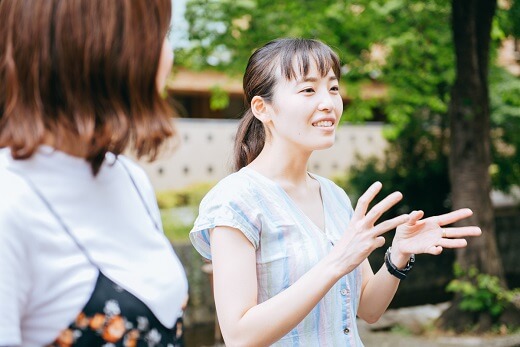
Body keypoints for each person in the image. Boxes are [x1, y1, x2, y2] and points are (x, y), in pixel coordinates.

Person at [189, 38, 482, 346]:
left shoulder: (334, 195)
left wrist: (398, 255)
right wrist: (335, 263)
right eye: (308, 90)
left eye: (333, 88)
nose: (328, 102)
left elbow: (367, 309)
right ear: (263, 108)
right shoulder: (235, 200)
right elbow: (239, 335)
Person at [0, 1, 188, 346]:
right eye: (161, 35)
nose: (169, 55)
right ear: (103, 48)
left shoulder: (130, 178)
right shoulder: (9, 200)